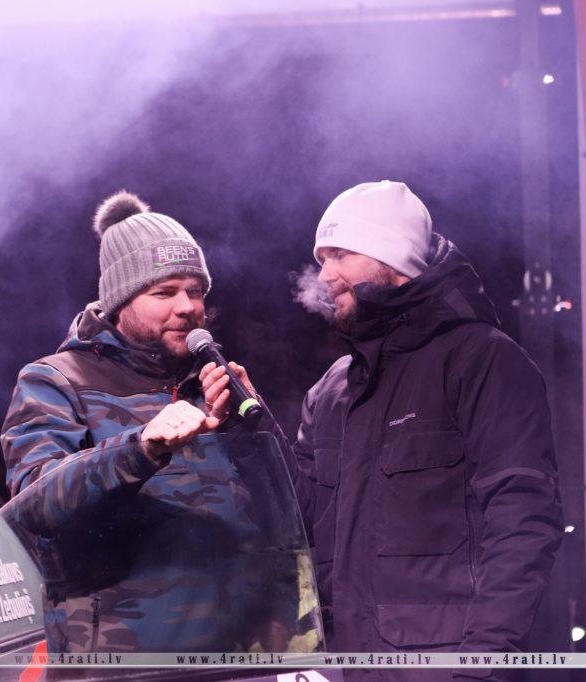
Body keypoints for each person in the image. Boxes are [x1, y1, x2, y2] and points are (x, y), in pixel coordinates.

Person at [203, 180, 564, 680]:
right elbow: (301, 523)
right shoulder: (331, 390)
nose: (324, 275)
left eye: (340, 255)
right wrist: (251, 427)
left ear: (391, 258)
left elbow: (523, 526)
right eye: (321, 259)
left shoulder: (483, 361)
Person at [0, 191, 313, 656]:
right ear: (119, 302)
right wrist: (140, 448)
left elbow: (279, 512)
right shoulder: (56, 380)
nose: (187, 307)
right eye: (164, 293)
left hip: (235, 658)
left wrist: (279, 610)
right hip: (123, 664)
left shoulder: (210, 382)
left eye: (195, 291)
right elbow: (32, 507)